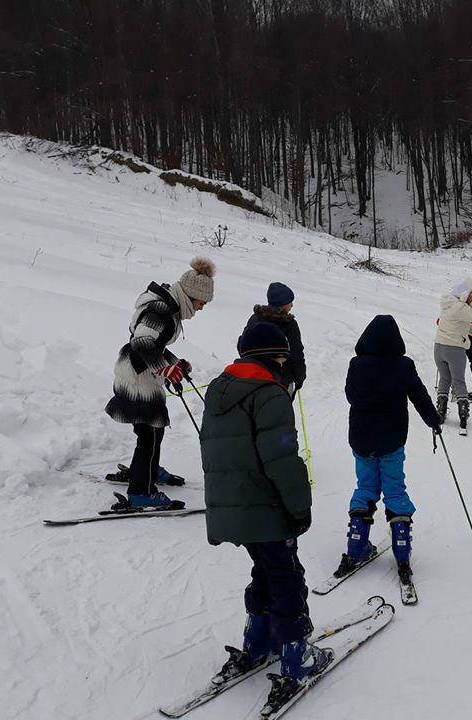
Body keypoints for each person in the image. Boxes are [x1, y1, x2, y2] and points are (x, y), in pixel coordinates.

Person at [199, 321, 330, 700]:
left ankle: (258, 639)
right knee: (287, 575)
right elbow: (282, 460)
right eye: (282, 358)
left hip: (231, 508)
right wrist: (299, 507)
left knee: (266, 568)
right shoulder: (269, 394)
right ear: (276, 357)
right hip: (265, 506)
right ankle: (295, 654)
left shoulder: (219, 388)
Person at [335, 315, 442, 586]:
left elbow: (350, 395)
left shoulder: (356, 365)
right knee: (394, 489)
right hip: (391, 440)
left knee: (366, 487)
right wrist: (433, 420)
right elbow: (418, 394)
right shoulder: (403, 365)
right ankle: (402, 550)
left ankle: (356, 546)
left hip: (361, 439)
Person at [104, 256, 216, 508]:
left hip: (140, 372)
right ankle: (141, 491)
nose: (200, 308)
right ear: (190, 295)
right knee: (150, 432)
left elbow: (155, 345)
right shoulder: (161, 310)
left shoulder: (169, 307)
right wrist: (166, 370)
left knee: (152, 431)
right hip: (136, 375)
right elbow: (142, 343)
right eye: (201, 302)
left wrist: (174, 365)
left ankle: (147, 471)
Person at [433, 278, 472, 430]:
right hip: (454, 350)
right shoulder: (461, 307)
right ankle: (463, 414)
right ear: (465, 293)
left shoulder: (447, 304)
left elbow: (462, 323)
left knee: (444, 378)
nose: (471, 296)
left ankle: (441, 410)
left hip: (439, 348)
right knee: (458, 381)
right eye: (470, 293)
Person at [239, 282, 306, 396]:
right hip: (282, 379)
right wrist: (300, 377)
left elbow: (242, 345)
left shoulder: (255, 319)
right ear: (283, 304)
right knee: (280, 410)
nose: (292, 306)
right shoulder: (289, 324)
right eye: (290, 302)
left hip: (254, 376)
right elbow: (296, 353)